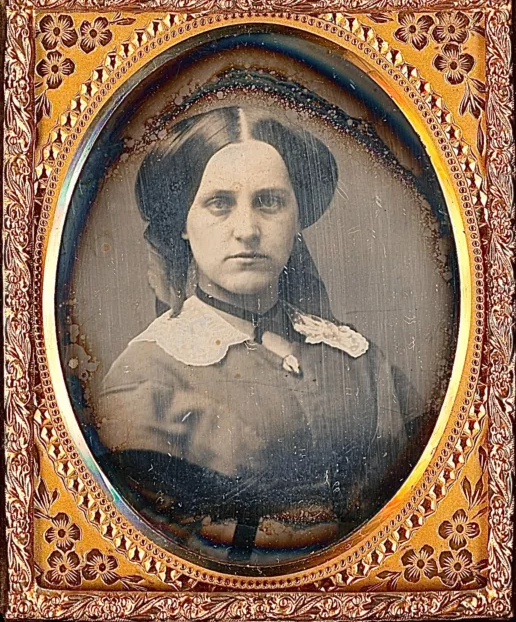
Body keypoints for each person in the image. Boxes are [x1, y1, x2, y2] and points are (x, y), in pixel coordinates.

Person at [96, 106, 423, 565]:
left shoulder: (358, 358)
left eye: (269, 201)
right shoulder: (147, 374)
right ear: (184, 226)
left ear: (296, 218)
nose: (247, 230)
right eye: (219, 203)